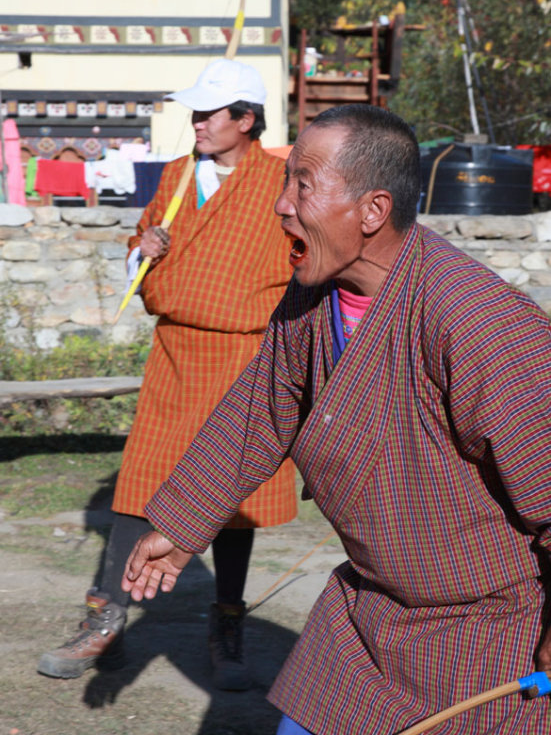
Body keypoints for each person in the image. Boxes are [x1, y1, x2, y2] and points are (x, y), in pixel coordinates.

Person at [120, 102, 551, 734]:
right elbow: (259, 414)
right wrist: (183, 526)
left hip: (490, 633)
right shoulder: (312, 295)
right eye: (285, 179)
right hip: (368, 615)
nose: (281, 204)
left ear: (372, 211)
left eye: (303, 184)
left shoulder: (481, 323)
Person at [37, 58, 297, 691]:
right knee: (141, 485)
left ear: (246, 119)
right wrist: (142, 251)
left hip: (246, 359)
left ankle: (227, 624)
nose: (196, 123)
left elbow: (306, 255)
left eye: (209, 113)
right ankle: (107, 618)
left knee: (235, 499)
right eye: (195, 112)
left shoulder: (284, 180)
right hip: (177, 356)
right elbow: (139, 251)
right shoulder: (178, 176)